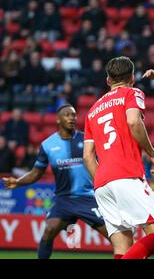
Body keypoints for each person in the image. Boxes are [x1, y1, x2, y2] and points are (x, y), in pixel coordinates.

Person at [83, 56, 154, 259]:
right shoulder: (132, 93)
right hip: (126, 175)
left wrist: (103, 180)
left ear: (107, 80)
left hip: (102, 182)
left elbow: (87, 156)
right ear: (132, 77)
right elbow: (133, 121)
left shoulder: (92, 110)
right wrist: (153, 154)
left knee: (122, 247)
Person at [2, 104, 108, 259]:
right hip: (63, 199)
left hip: (89, 197)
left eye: (73, 115)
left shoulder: (87, 140)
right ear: (58, 120)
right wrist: (18, 182)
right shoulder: (47, 145)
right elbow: (36, 173)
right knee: (50, 229)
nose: (72, 118)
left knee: (113, 234)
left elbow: (103, 164)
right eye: (67, 115)